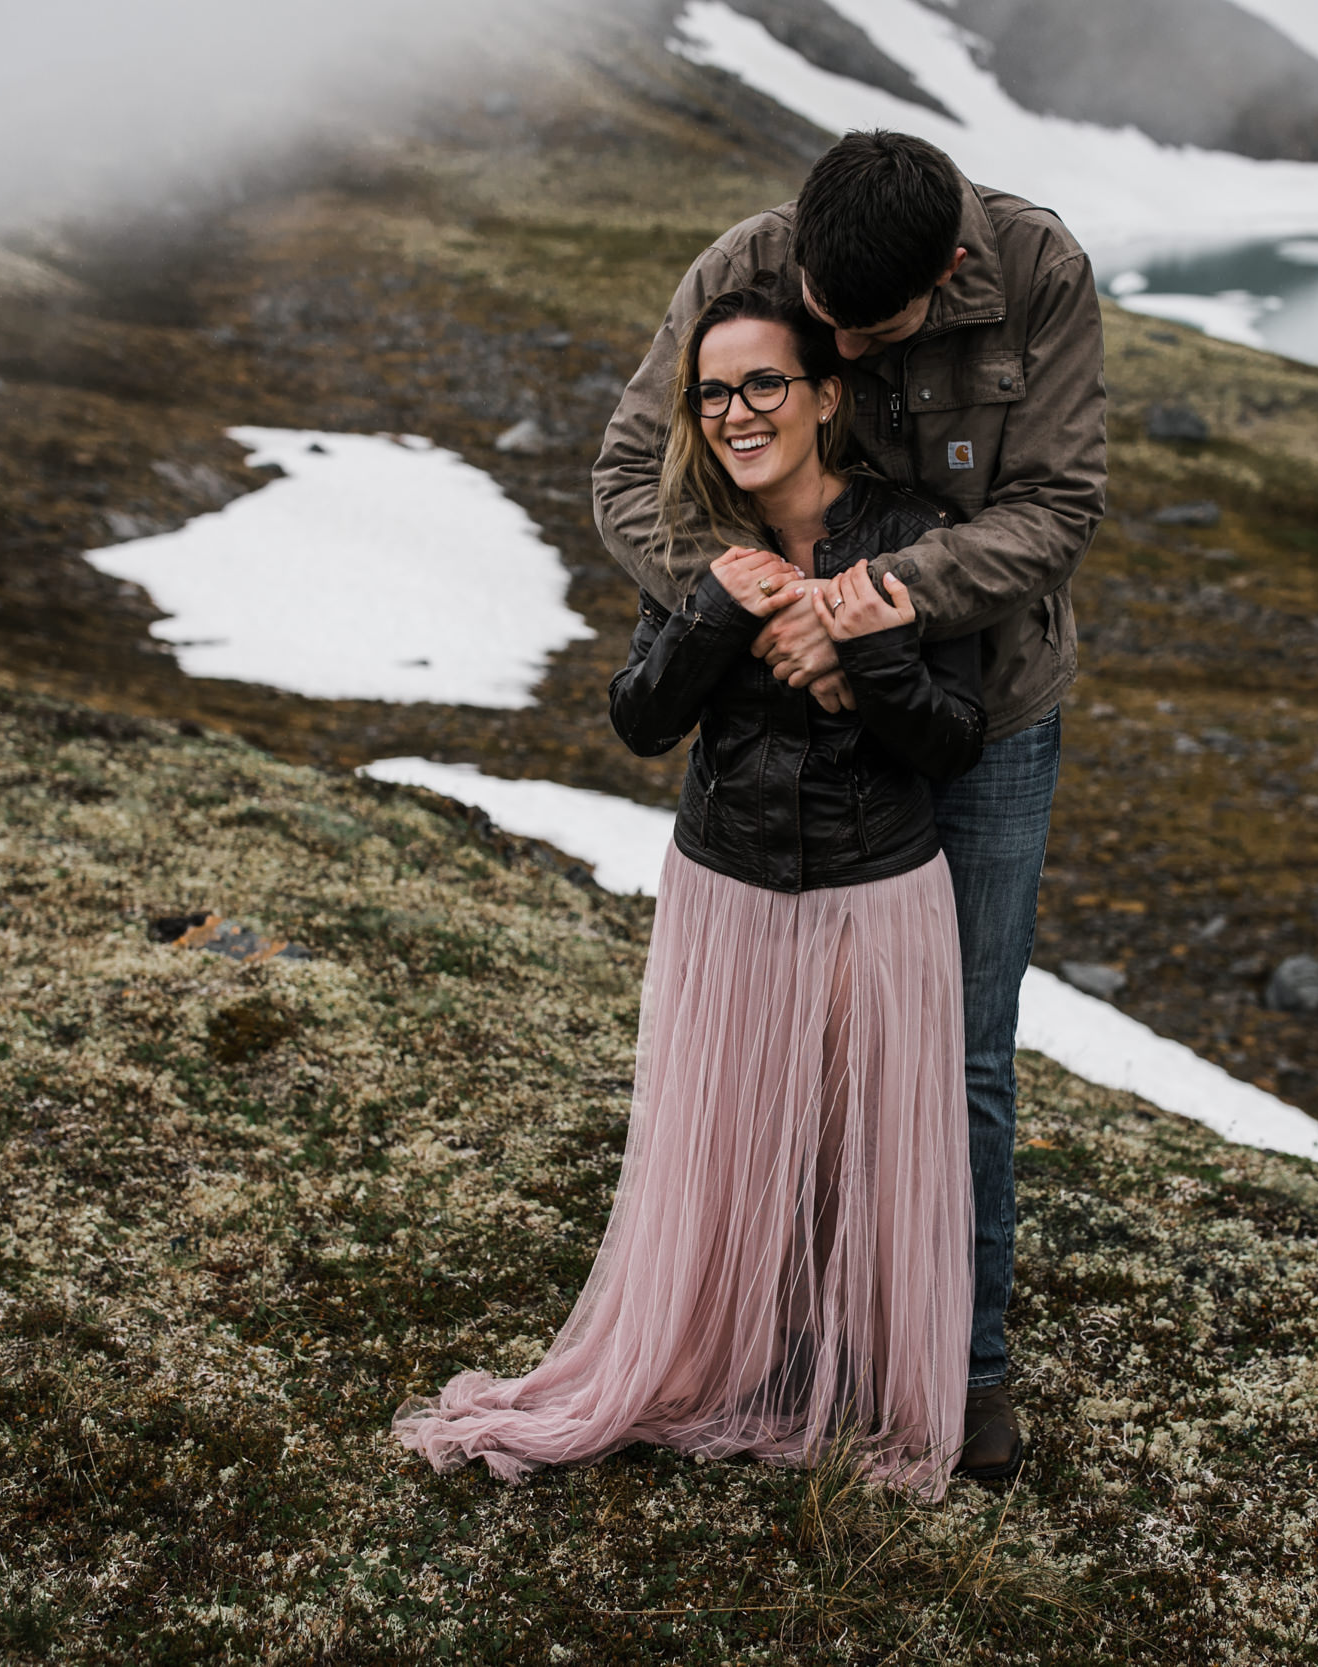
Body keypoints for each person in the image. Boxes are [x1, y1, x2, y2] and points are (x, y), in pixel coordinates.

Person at [395, 284, 984, 1499]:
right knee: (730, 1131)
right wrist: (715, 609)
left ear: (827, 396)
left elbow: (952, 741)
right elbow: (641, 717)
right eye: (714, 392)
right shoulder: (691, 537)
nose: (737, 411)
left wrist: (870, 655)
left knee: (853, 1137)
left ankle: (855, 1374)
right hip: (727, 888)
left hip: (877, 890)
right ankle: (737, 1357)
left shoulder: (916, 534)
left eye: (765, 383)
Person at [592, 130, 1107, 1483]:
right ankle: (796, 1331)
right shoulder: (750, 270)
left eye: (871, 333)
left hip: (978, 705)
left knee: (960, 1053)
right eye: (826, 327)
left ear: (946, 275)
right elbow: (627, 477)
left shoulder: (1040, 270)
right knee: (803, 1046)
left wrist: (871, 614)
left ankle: (964, 1367)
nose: (849, 358)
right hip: (791, 706)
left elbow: (1055, 505)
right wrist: (753, 598)